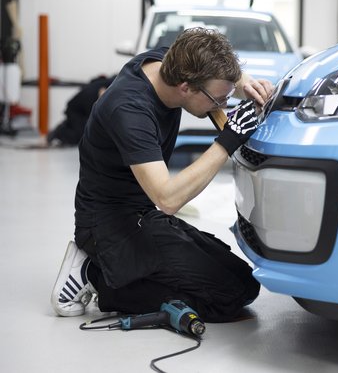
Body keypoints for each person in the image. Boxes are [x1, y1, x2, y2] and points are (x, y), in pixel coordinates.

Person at [50, 27, 273, 322]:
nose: (222, 107)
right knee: (227, 297)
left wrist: (245, 83)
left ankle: (118, 270)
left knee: (244, 282)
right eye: (218, 99)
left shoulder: (174, 61)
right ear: (185, 87)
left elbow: (212, 58)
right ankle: (96, 275)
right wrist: (229, 138)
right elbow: (167, 199)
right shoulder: (130, 111)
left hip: (142, 212)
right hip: (109, 224)